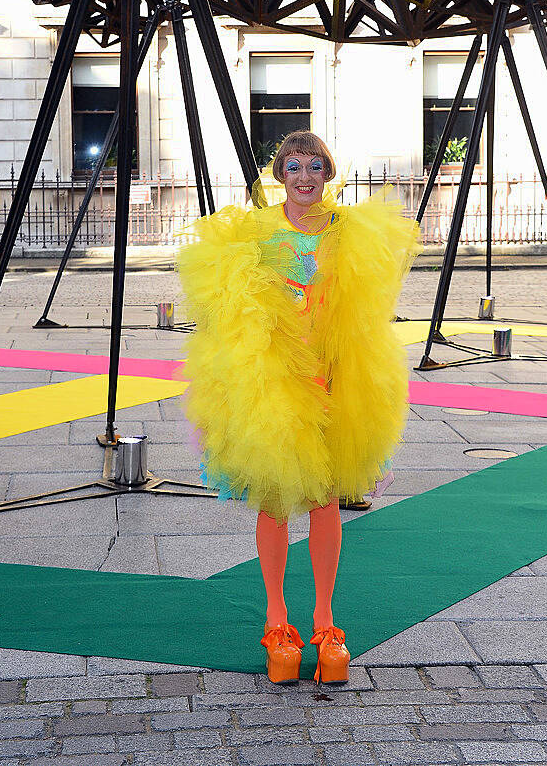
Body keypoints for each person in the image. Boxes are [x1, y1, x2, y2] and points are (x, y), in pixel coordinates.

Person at [179, 131, 418, 685]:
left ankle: (325, 621)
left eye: (314, 166)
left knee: (325, 496)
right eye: (293, 166)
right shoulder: (258, 231)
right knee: (276, 497)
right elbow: (224, 304)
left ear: (328, 173)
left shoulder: (349, 231)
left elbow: (370, 301)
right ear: (279, 173)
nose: (304, 176)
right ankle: (277, 621)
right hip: (276, 382)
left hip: (337, 378)